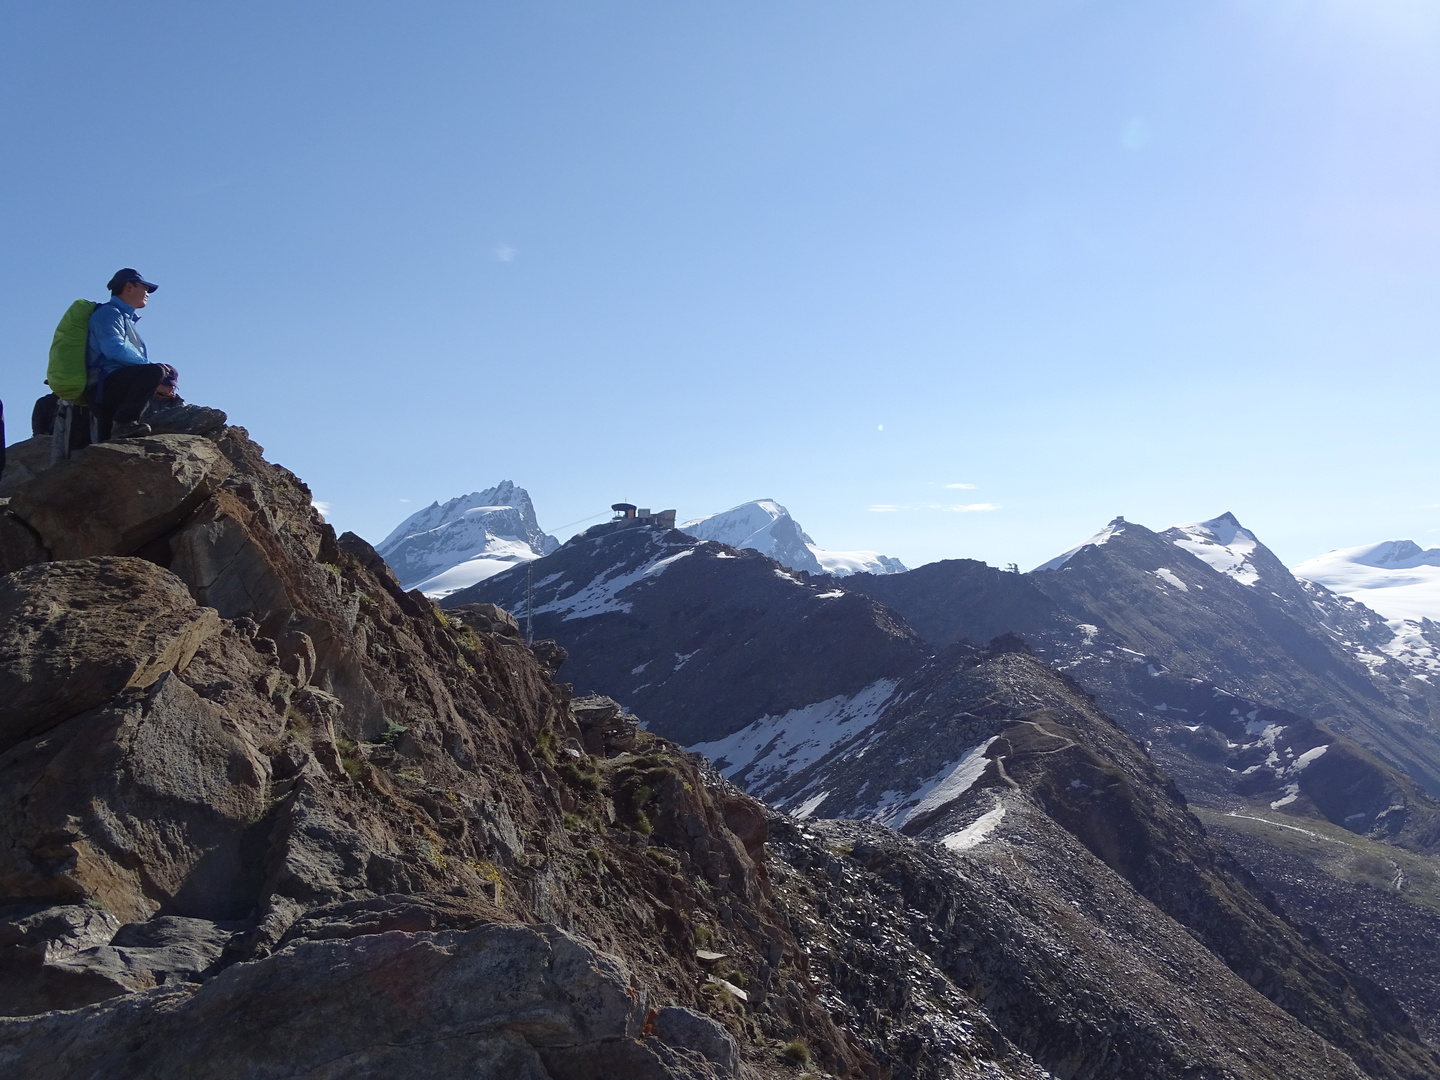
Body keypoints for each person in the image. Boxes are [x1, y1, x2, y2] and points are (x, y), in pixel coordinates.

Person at [86, 268, 179, 441]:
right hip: (105, 387)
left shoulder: (121, 316)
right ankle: (124, 424)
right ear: (129, 287)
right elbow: (112, 348)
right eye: (145, 288)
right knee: (154, 372)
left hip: (104, 389)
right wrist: (150, 366)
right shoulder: (110, 314)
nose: (147, 293)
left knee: (108, 443)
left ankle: (118, 432)